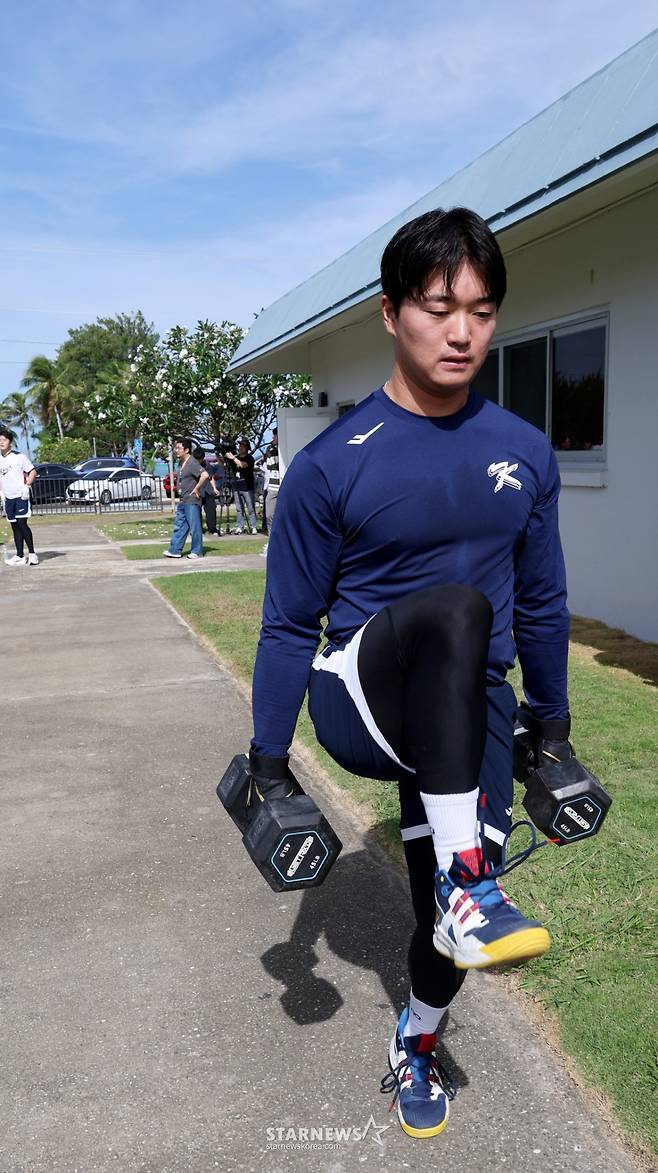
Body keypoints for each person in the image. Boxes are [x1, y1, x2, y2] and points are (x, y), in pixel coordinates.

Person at [247, 208, 573, 1139]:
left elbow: (545, 606)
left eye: (482, 308)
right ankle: (471, 876)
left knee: (448, 926)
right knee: (455, 606)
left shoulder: (524, 450)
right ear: (392, 313)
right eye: (439, 307)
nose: (463, 330)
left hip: (469, 709)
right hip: (362, 688)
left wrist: (551, 730)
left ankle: (418, 1036)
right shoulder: (328, 466)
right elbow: (284, 624)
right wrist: (270, 766)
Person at [163, 437, 208, 559]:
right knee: (180, 525)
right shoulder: (181, 463)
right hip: (183, 500)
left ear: (187, 450)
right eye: (176, 448)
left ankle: (197, 551)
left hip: (192, 500)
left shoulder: (192, 462)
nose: (176, 450)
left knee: (195, 526)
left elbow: (204, 475)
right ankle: (175, 550)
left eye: (179, 448)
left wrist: (197, 488)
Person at [0, 426, 38, 565]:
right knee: (14, 525)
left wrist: (27, 486)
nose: (1, 442)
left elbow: (32, 471)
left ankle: (32, 554)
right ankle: (20, 555)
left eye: (4, 440)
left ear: (10, 442)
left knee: (22, 523)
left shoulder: (19, 457)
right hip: (8, 497)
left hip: (21, 496)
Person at [225, 439, 258, 534]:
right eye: (239, 446)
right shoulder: (235, 457)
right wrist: (221, 455)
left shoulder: (250, 458)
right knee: (239, 509)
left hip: (247, 487)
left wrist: (233, 458)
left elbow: (242, 465)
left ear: (247, 448)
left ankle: (253, 526)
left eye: (242, 446)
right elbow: (225, 465)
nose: (240, 448)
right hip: (237, 487)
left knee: (251, 508)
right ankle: (240, 526)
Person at [193, 446, 221, 537]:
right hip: (197, 490)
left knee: (211, 509)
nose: (199, 461)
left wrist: (214, 488)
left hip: (207, 490)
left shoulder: (207, 465)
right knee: (197, 511)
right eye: (197, 459)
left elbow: (211, 477)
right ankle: (198, 529)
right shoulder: (192, 465)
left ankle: (212, 528)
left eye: (200, 459)